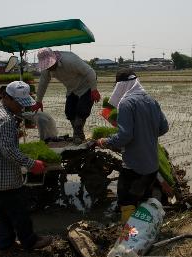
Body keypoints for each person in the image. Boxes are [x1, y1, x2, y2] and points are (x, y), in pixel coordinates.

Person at [0, 81, 52, 252]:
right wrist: (33, 164)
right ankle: (30, 241)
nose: (22, 107)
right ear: (7, 97)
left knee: (4, 214)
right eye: (19, 103)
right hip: (3, 178)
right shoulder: (5, 120)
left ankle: (5, 244)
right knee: (20, 212)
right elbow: (9, 152)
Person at [96, 69, 169, 224]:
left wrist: (105, 141)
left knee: (126, 201)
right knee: (143, 199)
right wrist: (146, 134)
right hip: (152, 166)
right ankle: (145, 230)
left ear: (121, 86)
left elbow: (125, 136)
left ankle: (129, 235)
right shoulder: (151, 100)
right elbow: (163, 128)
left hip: (134, 167)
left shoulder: (126, 103)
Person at [33, 47, 101, 144]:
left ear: (54, 59)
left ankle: (78, 136)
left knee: (82, 111)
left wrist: (94, 90)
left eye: (50, 64)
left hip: (86, 85)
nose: (49, 67)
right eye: (47, 66)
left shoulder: (70, 60)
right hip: (71, 88)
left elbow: (90, 72)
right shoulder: (47, 69)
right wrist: (38, 101)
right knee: (69, 112)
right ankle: (79, 135)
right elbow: (43, 83)